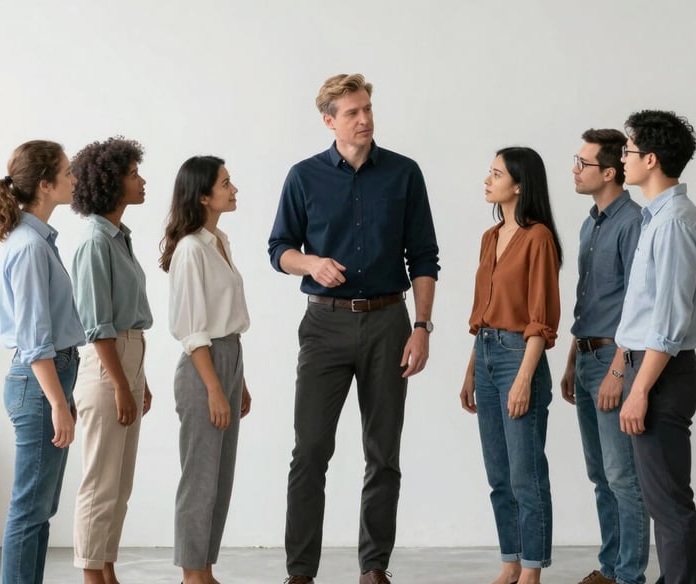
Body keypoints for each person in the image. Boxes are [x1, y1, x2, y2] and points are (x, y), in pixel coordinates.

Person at [268, 73, 440, 584]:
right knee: (310, 452)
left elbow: (425, 257)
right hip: (324, 325)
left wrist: (423, 326)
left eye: (367, 108)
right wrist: (311, 264)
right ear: (329, 121)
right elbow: (279, 248)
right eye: (351, 112)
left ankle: (374, 569)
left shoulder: (405, 174)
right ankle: (300, 573)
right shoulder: (303, 177)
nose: (364, 119)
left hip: (391, 321)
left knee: (383, 452)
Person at [0, 140, 85, 584]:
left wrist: (63, 396)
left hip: (50, 379)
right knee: (29, 508)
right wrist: (58, 402)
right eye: (67, 172)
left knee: (43, 508)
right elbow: (34, 339)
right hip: (38, 381)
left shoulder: (38, 241)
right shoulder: (28, 247)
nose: (74, 179)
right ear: (45, 184)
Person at [616, 110, 696, 584]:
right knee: (661, 500)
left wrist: (639, 390)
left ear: (650, 160)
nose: (622, 158)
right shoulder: (660, 218)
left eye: (628, 151)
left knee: (670, 503)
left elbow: (668, 325)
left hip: (661, 375)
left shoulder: (673, 223)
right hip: (653, 371)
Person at [459, 147, 561, 584]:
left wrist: (524, 379)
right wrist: (470, 371)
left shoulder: (538, 238)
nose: (487, 179)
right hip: (485, 354)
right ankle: (510, 562)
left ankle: (532, 572)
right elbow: (482, 310)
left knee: (526, 473)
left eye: (496, 173)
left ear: (518, 184)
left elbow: (542, 318)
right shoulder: (489, 236)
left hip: (521, 356)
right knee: (498, 473)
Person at [560, 129, 649, 584]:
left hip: (618, 359)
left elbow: (639, 304)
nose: (574, 170)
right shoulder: (589, 223)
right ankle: (611, 568)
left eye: (583, 163)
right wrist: (573, 359)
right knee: (600, 474)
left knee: (623, 477)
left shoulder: (632, 222)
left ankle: (630, 575)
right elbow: (588, 300)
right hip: (588, 355)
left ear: (610, 172)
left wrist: (618, 369)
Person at [160, 155, 252, 584]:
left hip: (228, 358)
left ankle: (205, 570)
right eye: (226, 183)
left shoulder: (219, 241)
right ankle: (192, 575)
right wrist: (215, 388)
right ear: (202, 195)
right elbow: (193, 330)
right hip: (204, 366)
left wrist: (239, 381)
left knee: (222, 476)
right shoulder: (191, 249)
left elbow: (225, 318)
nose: (233, 189)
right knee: (199, 477)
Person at [70, 137, 153, 584]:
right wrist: (122, 384)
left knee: (119, 484)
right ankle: (90, 576)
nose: (142, 181)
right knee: (100, 482)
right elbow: (97, 326)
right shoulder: (94, 244)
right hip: (108, 364)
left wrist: (140, 378)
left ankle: (106, 569)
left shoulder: (120, 238)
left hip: (130, 356)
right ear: (111, 182)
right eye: (134, 174)